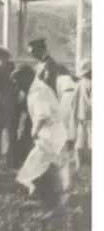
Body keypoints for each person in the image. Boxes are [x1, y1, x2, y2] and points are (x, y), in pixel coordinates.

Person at [15, 63, 77, 209]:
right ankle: (52, 195)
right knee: (50, 164)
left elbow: (42, 115)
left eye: (17, 80)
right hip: (51, 134)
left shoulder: (37, 92)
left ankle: (50, 198)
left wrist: (34, 132)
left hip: (51, 135)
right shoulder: (35, 88)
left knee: (36, 166)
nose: (16, 84)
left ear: (26, 78)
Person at [73, 60, 92, 167]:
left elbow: (74, 102)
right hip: (90, 117)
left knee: (80, 143)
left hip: (81, 117)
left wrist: (74, 116)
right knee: (90, 142)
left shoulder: (79, 84)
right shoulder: (91, 83)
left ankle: (79, 165)